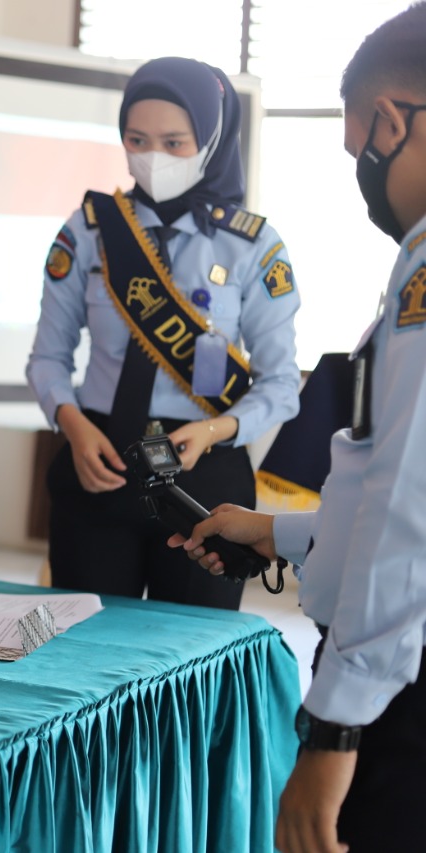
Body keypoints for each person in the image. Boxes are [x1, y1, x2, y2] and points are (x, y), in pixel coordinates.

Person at [171, 6, 426, 850]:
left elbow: (406, 517)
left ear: (392, 120)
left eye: (360, 150)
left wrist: (335, 728)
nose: (363, 174)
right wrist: (276, 531)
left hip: (401, 692)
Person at [26, 57, 301, 610]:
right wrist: (72, 424)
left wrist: (218, 429)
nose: (153, 157)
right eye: (137, 139)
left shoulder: (252, 245)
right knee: (83, 649)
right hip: (97, 458)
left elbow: (282, 385)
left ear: (212, 138)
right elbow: (47, 360)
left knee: (189, 652)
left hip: (205, 475)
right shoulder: (88, 231)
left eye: (175, 142)